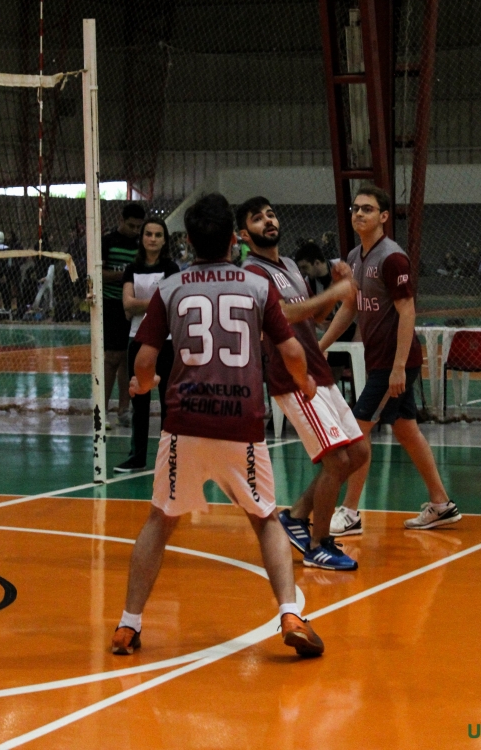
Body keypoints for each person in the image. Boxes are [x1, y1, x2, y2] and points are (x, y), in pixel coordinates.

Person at [110, 193, 324, 660]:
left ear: (187, 242)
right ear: (234, 240)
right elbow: (290, 351)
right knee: (265, 520)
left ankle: (128, 624)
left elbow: (144, 359)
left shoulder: (171, 287)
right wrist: (304, 381)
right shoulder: (256, 285)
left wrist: (143, 384)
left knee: (160, 519)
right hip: (240, 424)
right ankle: (290, 613)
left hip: (184, 424)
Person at [320, 186, 461, 535]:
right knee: (405, 429)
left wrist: (398, 367)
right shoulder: (355, 257)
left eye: (367, 209)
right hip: (380, 361)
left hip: (395, 362)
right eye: (356, 208)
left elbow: (407, 310)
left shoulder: (392, 258)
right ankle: (441, 504)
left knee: (357, 431)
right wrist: (320, 346)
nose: (359, 213)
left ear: (383, 216)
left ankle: (350, 512)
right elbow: (350, 308)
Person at [236, 197, 367, 571]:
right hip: (292, 378)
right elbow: (282, 315)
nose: (268, 221)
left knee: (358, 453)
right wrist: (333, 293)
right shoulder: (252, 272)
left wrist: (335, 287)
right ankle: (318, 545)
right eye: (258, 219)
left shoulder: (291, 265)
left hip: (317, 371)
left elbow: (315, 316)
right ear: (244, 234)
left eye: (271, 214)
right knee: (337, 460)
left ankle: (295, 516)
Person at [114, 218, 180, 474]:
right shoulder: (132, 268)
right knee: (139, 402)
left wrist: (141, 304)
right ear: (142, 238)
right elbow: (127, 304)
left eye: (158, 235)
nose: (152, 238)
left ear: (165, 240)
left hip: (167, 341)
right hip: (137, 339)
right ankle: (137, 457)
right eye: (148, 234)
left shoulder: (171, 268)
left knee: (167, 402)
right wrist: (153, 302)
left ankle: (169, 458)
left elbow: (170, 303)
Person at [101, 202, 145, 429]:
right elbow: (98, 272)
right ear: (121, 220)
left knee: (129, 359)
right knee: (111, 358)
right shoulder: (107, 242)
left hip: (134, 308)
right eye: (131, 226)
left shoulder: (141, 244)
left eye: (138, 227)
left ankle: (124, 410)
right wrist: (124, 276)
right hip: (112, 304)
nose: (135, 230)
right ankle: (101, 410)